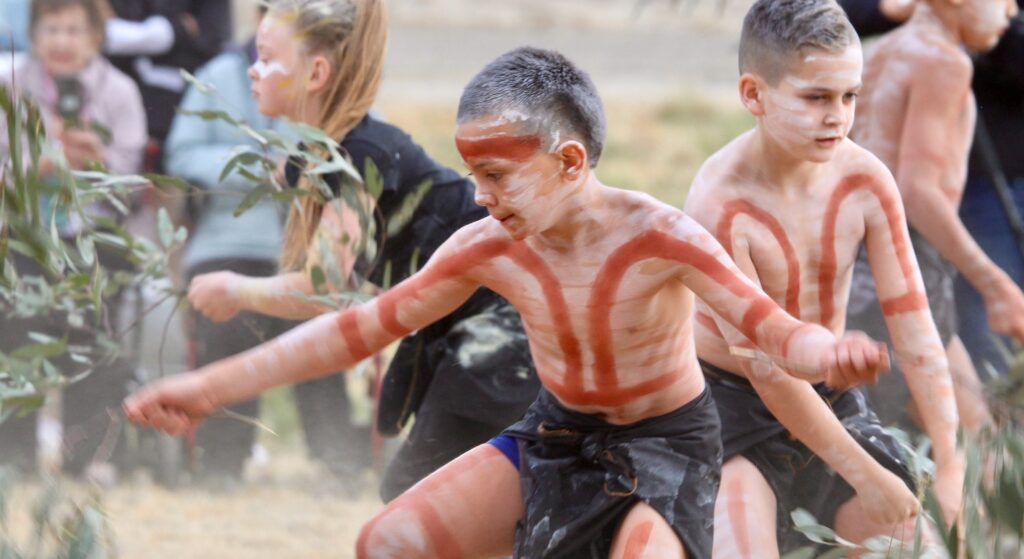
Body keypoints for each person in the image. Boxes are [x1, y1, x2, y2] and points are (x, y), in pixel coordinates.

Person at [125, 43, 892, 558]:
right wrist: (206, 387)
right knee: (384, 541)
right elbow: (355, 330)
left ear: (568, 161)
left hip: (667, 445)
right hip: (555, 432)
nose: (480, 196)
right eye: (472, 174)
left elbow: (771, 326)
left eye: (496, 176)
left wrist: (829, 351)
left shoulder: (661, 236)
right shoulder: (488, 245)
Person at [178, 0, 539, 499]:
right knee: (425, 497)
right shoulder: (327, 153)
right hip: (463, 324)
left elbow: (320, 289)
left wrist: (235, 289)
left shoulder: (354, 154)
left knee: (428, 498)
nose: (253, 72)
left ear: (316, 72)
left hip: (502, 327)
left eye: (264, 58)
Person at [683, 1, 961, 555]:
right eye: (815, 98)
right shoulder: (719, 202)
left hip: (829, 395)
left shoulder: (866, 179)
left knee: (917, 543)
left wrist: (951, 463)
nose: (838, 115)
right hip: (728, 404)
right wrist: (867, 475)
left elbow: (914, 326)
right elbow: (766, 370)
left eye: (849, 96)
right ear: (753, 95)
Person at [162, 5, 371, 487]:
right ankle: (220, 465)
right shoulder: (216, 74)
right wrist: (258, 165)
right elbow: (183, 154)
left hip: (311, 246)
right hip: (229, 239)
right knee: (230, 330)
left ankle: (338, 462)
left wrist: (306, 167)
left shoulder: (339, 80)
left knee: (320, 332)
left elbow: (366, 150)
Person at [845, 0, 1019, 434]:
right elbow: (916, 193)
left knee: (965, 436)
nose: (1013, 9)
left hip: (856, 266)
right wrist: (995, 285)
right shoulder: (945, 62)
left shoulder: (883, 51)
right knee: (973, 448)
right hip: (901, 269)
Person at [0, 0, 146, 478]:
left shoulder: (121, 91)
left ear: (95, 37)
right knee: (17, 341)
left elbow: (132, 185)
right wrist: (34, 166)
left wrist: (98, 162)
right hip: (22, 237)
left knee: (91, 343)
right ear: (35, 34)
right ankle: (13, 460)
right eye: (51, 29)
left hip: (93, 239)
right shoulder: (8, 87)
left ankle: (85, 458)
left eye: (73, 30)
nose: (61, 41)